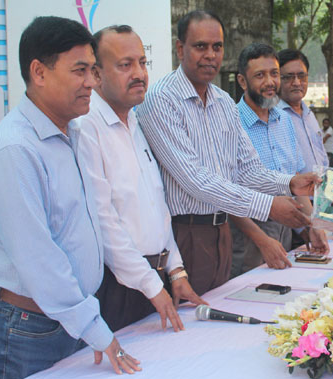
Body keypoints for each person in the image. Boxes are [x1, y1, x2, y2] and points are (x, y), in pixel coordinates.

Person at [0, 17, 140, 379]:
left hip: (68, 319)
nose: (92, 82)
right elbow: (38, 258)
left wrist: (86, 320)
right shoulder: (15, 150)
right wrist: (93, 328)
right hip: (26, 329)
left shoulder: (73, 133)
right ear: (39, 72)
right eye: (80, 71)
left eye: (94, 70)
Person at [135, 11, 318, 295]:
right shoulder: (161, 100)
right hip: (185, 234)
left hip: (222, 233)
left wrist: (289, 184)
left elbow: (246, 170)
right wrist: (268, 206)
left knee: (222, 318)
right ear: (180, 48)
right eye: (200, 46)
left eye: (217, 47)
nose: (210, 55)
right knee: (189, 326)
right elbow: (196, 180)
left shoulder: (222, 101)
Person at [76, 25, 207, 333]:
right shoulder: (86, 128)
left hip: (155, 281)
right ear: (96, 74)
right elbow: (104, 221)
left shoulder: (134, 119)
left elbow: (155, 206)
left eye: (142, 63)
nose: (139, 73)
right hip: (119, 286)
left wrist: (175, 271)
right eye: (125, 65)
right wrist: (150, 284)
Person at [230, 43, 328, 277]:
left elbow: (297, 185)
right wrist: (262, 239)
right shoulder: (231, 123)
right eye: (260, 75)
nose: (269, 82)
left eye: (274, 74)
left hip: (286, 227)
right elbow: (227, 194)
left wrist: (311, 225)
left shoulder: (284, 121)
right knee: (251, 295)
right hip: (249, 233)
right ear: (242, 81)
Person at [276, 48, 329, 173]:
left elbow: (321, 155)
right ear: (277, 79)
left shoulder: (309, 115)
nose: (297, 83)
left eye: (301, 76)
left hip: (319, 190)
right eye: (289, 77)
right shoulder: (273, 118)